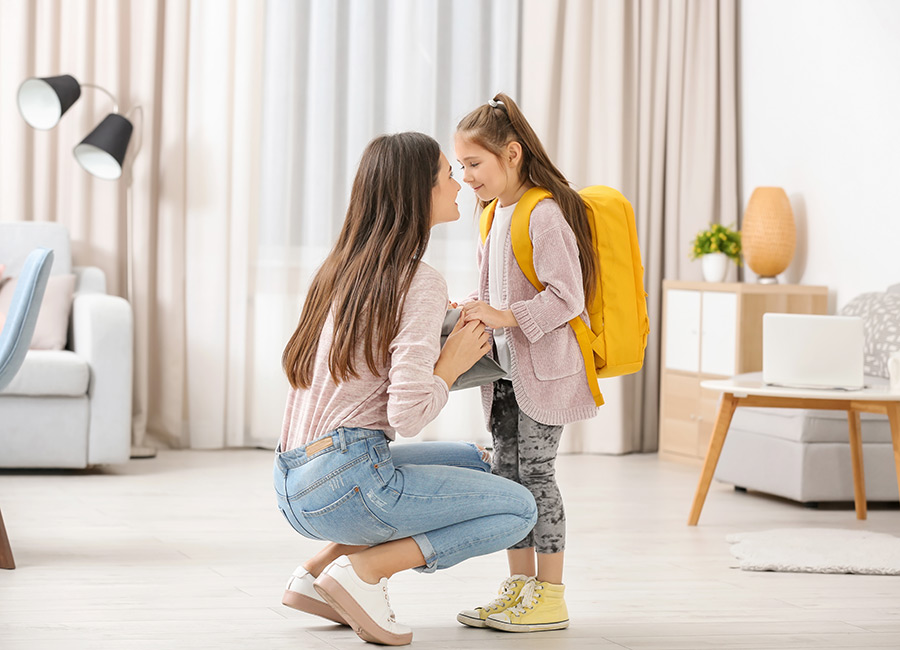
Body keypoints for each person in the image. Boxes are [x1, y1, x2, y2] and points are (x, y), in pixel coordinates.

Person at [274, 131, 538, 647]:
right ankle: (365, 573)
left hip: (294, 480)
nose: (460, 183)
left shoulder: (341, 270)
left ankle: (315, 576)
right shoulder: (417, 280)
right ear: (419, 192)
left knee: (481, 461)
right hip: (350, 483)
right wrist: (449, 363)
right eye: (447, 174)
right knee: (518, 507)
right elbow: (409, 414)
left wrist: (438, 331)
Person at [453, 93, 601, 633]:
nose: (466, 176)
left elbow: (568, 298)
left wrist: (503, 314)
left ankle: (551, 594)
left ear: (511, 154)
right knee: (505, 476)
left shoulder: (543, 211)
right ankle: (518, 587)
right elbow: (500, 290)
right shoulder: (493, 214)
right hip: (506, 374)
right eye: (462, 166)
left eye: (475, 164)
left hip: (545, 373)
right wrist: (474, 306)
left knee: (537, 475)